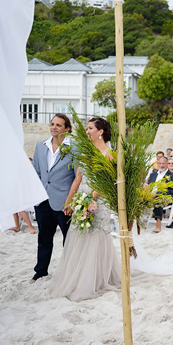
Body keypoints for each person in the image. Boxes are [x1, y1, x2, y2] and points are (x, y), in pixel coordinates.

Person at [50, 117, 121, 302]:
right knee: (79, 235)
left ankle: (93, 280)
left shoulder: (109, 154)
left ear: (101, 132)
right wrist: (69, 202)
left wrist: (89, 199)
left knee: (95, 237)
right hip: (82, 198)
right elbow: (77, 180)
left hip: (98, 202)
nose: (87, 131)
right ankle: (77, 277)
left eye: (90, 128)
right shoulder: (85, 152)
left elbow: (107, 183)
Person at [31, 114, 77, 283]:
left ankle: (69, 273)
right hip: (43, 201)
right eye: (52, 124)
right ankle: (40, 271)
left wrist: (71, 201)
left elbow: (76, 177)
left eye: (58, 125)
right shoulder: (40, 146)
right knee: (43, 239)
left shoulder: (74, 147)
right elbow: (36, 173)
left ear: (67, 129)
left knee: (69, 240)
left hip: (65, 202)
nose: (54, 127)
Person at [147, 156, 173, 233]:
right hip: (150, 196)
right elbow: (149, 186)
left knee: (159, 200)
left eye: (163, 163)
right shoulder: (153, 175)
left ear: (167, 164)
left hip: (165, 197)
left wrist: (157, 194)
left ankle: (158, 225)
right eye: (160, 163)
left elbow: (172, 191)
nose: (161, 165)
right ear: (157, 164)